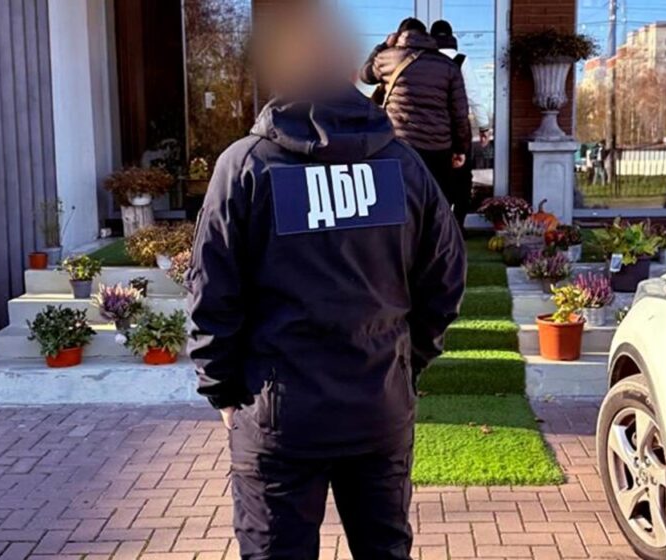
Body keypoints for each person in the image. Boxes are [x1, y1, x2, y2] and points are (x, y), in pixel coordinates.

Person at [186, 5, 466, 559]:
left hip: (279, 416)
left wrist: (221, 389)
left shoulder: (245, 167)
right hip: (376, 404)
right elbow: (445, 280)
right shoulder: (405, 167)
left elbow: (211, 292)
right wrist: (405, 363)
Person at [359, 18, 472, 210]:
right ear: (426, 36)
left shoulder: (387, 59)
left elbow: (365, 75)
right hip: (438, 149)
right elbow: (460, 113)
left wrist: (383, 46)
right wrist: (460, 149)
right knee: (436, 206)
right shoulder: (448, 66)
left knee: (401, 205)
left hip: (400, 146)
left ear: (398, 36)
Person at [430, 19, 490, 232]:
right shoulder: (461, 60)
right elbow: (474, 96)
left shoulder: (425, 60)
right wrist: (483, 126)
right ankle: (458, 226)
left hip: (433, 132)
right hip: (458, 131)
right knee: (463, 181)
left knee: (436, 181)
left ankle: (437, 229)